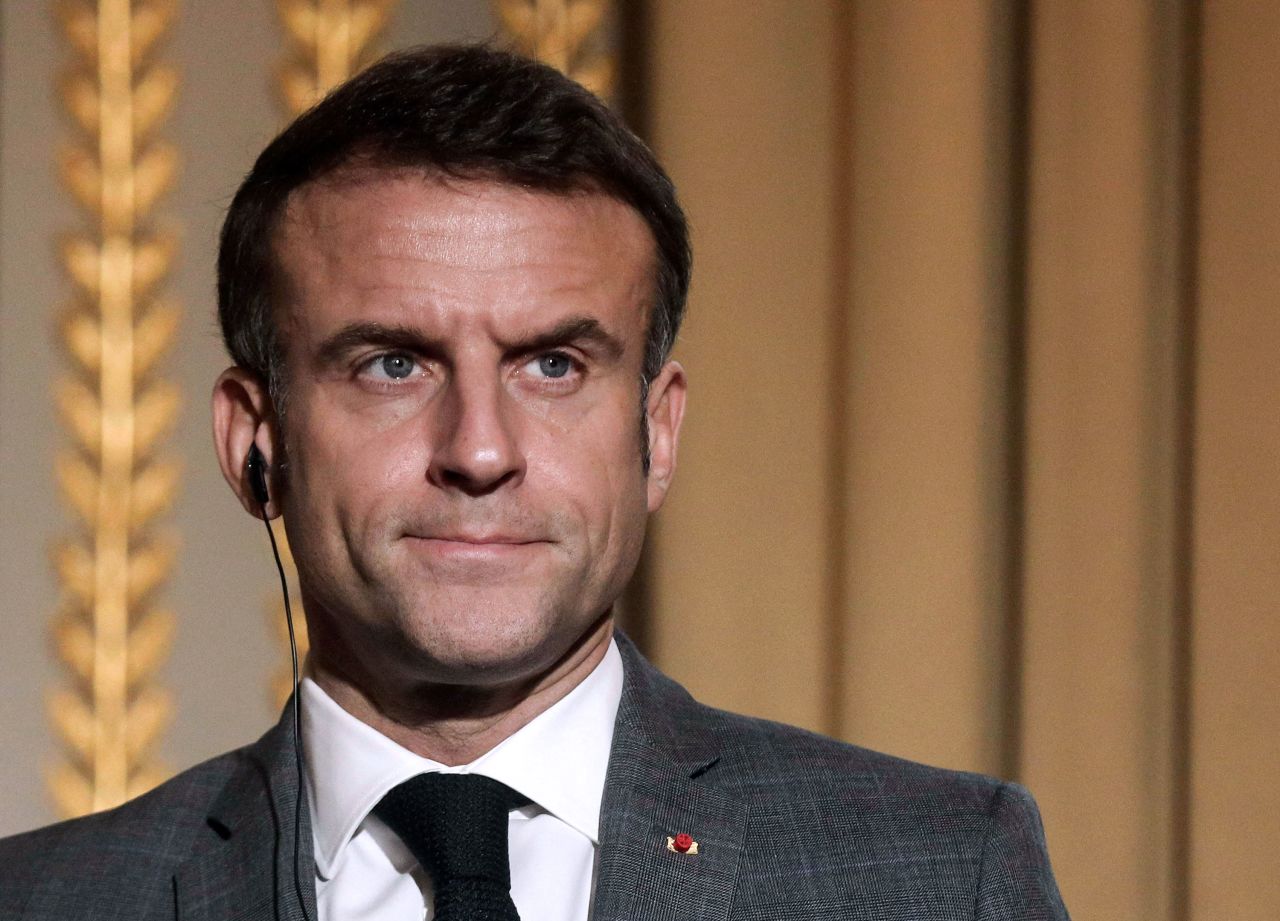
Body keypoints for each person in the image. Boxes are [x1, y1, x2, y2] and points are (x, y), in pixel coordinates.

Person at [0, 44, 1069, 920]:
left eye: (553, 365)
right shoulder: (49, 899)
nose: (478, 449)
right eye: (392, 363)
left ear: (655, 433)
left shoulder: (935, 873)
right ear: (253, 442)